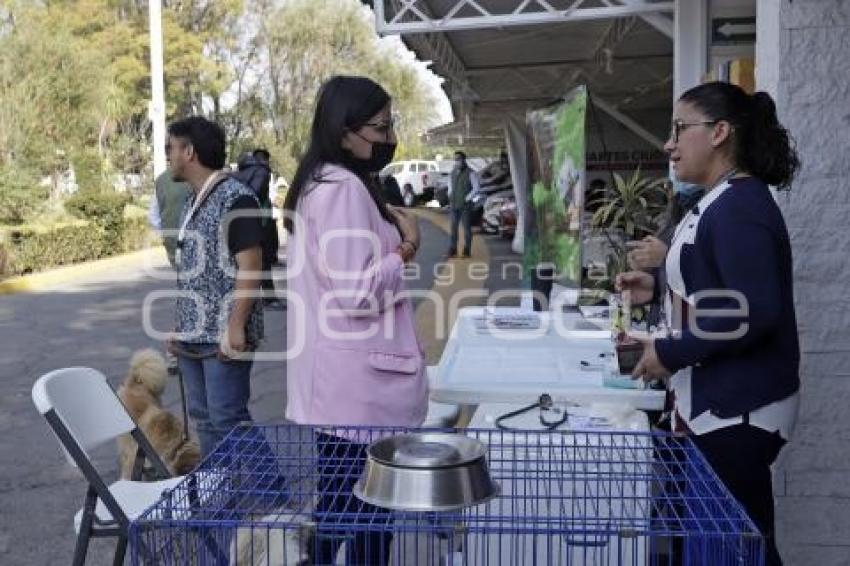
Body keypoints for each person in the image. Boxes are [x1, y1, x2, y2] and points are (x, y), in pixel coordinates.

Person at [617, 82, 800, 565]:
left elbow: (755, 311)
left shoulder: (741, 208)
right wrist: (656, 289)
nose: (669, 143)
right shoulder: (720, 200)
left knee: (737, 548)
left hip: (736, 413)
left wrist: (667, 353)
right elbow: (722, 292)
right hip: (714, 409)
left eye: (680, 128)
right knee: (720, 544)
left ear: (720, 132)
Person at [283, 75, 428, 566]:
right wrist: (406, 249)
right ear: (346, 131)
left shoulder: (323, 182)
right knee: (362, 515)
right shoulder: (342, 187)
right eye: (381, 127)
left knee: (347, 509)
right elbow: (357, 291)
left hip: (344, 385)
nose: (389, 138)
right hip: (357, 391)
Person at [165, 116, 265, 458]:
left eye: (170, 148)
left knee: (228, 418)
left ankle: (273, 503)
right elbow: (194, 271)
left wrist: (235, 326)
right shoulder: (192, 202)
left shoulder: (236, 198)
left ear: (188, 151)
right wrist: (181, 326)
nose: (168, 156)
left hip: (224, 335)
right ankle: (222, 498)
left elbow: (250, 267)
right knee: (204, 420)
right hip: (193, 335)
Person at [232, 148, 284, 309]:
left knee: (243, 262)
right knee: (264, 260)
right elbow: (255, 194)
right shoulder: (262, 172)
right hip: (260, 221)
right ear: (264, 160)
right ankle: (269, 298)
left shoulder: (237, 173)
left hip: (239, 221)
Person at [147, 169, 190, 269]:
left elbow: (153, 215)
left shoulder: (161, 180)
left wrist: (165, 235)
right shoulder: (201, 174)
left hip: (174, 244)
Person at [446, 150, 480, 258]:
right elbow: (450, 185)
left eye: (458, 159)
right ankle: (453, 249)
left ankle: (467, 250)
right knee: (453, 227)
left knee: (466, 228)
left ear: (464, 160)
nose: (457, 162)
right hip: (454, 204)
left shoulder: (471, 173)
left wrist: (467, 198)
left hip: (465, 205)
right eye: (455, 159)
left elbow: (476, 188)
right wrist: (450, 193)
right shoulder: (452, 172)